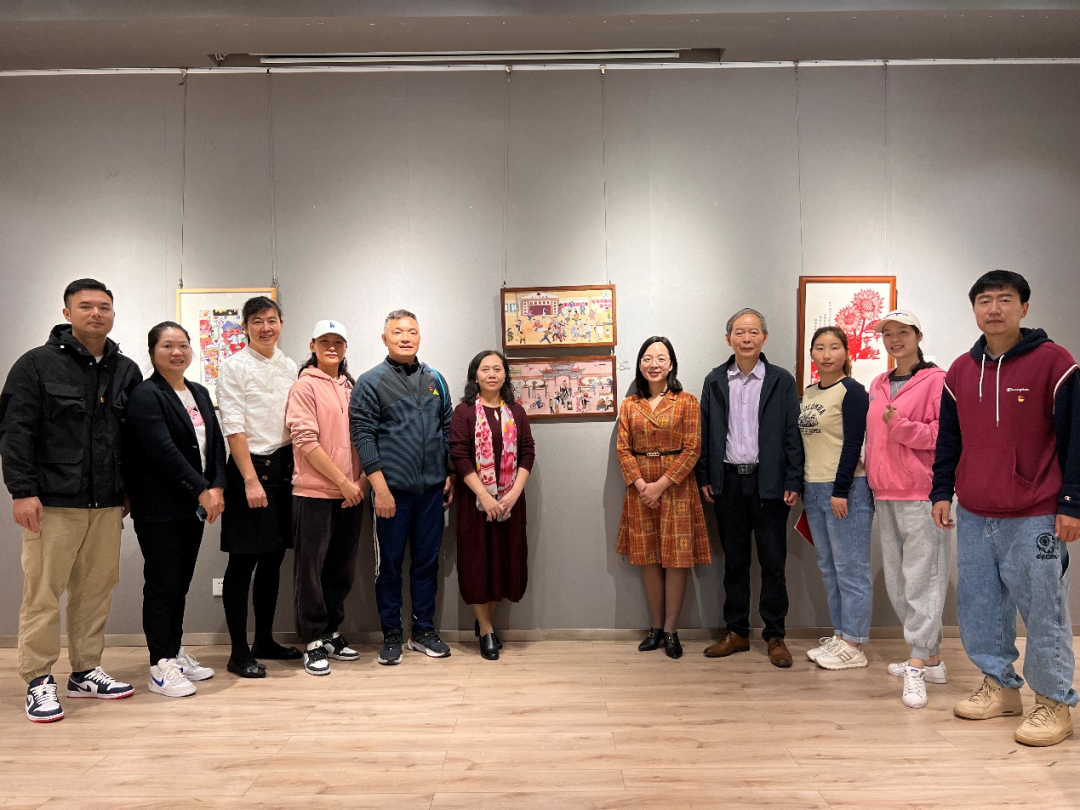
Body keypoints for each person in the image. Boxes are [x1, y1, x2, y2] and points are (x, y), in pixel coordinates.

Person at [931, 270, 1080, 747]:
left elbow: (1076, 438)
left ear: (1024, 307)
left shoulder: (1055, 363)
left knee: (1044, 612)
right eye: (984, 301)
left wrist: (1072, 501)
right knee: (980, 606)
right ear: (974, 309)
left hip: (1035, 512)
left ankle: (1054, 703)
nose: (993, 309)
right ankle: (1000, 686)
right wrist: (941, 490)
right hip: (975, 511)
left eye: (1005, 299)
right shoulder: (959, 371)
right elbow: (949, 439)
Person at [0, 279, 142, 722]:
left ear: (113, 313)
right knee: (43, 592)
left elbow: (132, 438)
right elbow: (15, 431)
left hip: (106, 504)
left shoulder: (126, 370)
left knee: (96, 590)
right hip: (53, 501)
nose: (96, 313)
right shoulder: (36, 365)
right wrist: (22, 492)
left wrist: (128, 489)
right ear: (67, 313)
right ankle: (38, 678)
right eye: (85, 306)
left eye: (104, 306)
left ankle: (85, 670)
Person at [695, 309, 803, 668]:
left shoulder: (781, 380)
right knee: (735, 562)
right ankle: (737, 631)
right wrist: (705, 476)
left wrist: (793, 479)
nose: (746, 338)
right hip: (727, 483)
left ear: (764, 338)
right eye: (739, 332)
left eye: (753, 332)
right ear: (728, 339)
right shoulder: (714, 380)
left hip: (769, 483)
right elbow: (705, 432)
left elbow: (792, 432)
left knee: (773, 563)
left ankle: (775, 635)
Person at [127, 322, 226, 697]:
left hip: (193, 507)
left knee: (180, 584)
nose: (176, 352)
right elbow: (161, 449)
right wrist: (201, 489)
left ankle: (174, 650)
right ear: (152, 351)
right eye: (167, 345)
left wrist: (217, 485)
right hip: (159, 507)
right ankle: (159, 665)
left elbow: (215, 444)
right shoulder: (146, 395)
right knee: (162, 584)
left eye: (183, 345)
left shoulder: (198, 392)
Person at [351, 309, 455, 665]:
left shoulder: (436, 379)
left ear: (420, 336)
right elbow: (363, 437)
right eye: (397, 332)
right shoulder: (370, 382)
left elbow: (447, 428)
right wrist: (380, 489)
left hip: (432, 493)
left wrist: (450, 473)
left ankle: (422, 631)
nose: (405, 337)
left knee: (427, 564)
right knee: (389, 567)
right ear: (385, 338)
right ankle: (392, 634)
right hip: (390, 493)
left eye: (411, 331)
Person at [865, 309, 952, 709]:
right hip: (885, 493)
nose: (895, 339)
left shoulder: (937, 381)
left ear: (918, 335)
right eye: (888, 333)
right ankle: (931, 658)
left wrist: (902, 428)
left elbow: (945, 435)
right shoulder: (878, 383)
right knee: (900, 583)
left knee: (924, 579)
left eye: (903, 332)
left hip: (921, 494)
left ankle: (917, 662)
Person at [217, 296, 302, 678]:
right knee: (242, 562)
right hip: (249, 471)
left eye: (271, 320)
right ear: (245, 327)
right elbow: (233, 428)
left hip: (284, 470)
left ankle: (264, 640)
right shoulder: (233, 366)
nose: (265, 327)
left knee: (273, 560)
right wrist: (250, 481)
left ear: (281, 323)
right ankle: (238, 652)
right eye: (257, 321)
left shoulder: (289, 365)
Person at [616, 336, 711, 660]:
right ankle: (655, 627)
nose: (653, 364)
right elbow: (623, 450)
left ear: (671, 365)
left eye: (660, 358)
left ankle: (671, 629)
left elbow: (693, 448)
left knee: (676, 559)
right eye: (647, 358)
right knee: (649, 559)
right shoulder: (629, 404)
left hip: (677, 487)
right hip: (640, 489)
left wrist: (660, 485)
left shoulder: (687, 401)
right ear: (640, 364)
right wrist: (643, 485)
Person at [286, 320, 367, 676]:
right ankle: (313, 640)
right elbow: (305, 440)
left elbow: (366, 435)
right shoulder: (304, 386)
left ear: (345, 347)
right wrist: (343, 482)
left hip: (352, 493)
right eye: (324, 341)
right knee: (311, 571)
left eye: (338, 342)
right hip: (315, 492)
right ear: (313, 345)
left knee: (341, 568)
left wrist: (360, 482)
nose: (331, 347)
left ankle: (332, 632)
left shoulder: (352, 387)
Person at [448, 350, 536, 660]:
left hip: (510, 504)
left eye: (497, 369)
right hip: (475, 504)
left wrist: (513, 493)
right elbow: (459, 455)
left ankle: (488, 622)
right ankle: (486, 629)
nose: (491, 374)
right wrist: (485, 496)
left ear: (505, 375)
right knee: (477, 565)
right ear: (475, 375)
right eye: (485, 369)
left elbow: (527, 452)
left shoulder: (516, 412)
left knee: (503, 564)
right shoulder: (464, 412)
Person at [800, 326, 873, 671]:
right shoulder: (809, 392)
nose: (826, 354)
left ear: (846, 352)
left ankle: (854, 644)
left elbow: (854, 442)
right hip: (813, 488)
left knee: (851, 569)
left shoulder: (853, 392)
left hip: (845, 489)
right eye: (819, 348)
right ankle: (841, 634)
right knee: (829, 569)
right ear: (812, 354)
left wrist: (841, 490)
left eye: (834, 347)